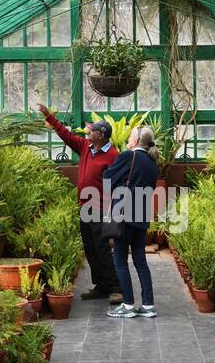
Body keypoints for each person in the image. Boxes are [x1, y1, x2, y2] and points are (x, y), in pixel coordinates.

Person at [37, 104, 122, 302]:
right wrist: (49, 116)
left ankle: (116, 287)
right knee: (89, 247)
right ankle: (101, 285)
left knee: (101, 247)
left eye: (91, 130)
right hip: (85, 206)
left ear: (100, 135)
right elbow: (65, 135)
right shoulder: (86, 147)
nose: (87, 132)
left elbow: (119, 185)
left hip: (101, 209)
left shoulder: (113, 156)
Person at [103, 124, 159, 319]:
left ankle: (127, 306)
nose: (128, 140)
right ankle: (148, 306)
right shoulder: (153, 162)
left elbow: (107, 178)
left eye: (130, 137)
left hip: (125, 216)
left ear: (135, 141)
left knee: (119, 260)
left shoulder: (129, 156)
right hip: (142, 217)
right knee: (140, 261)